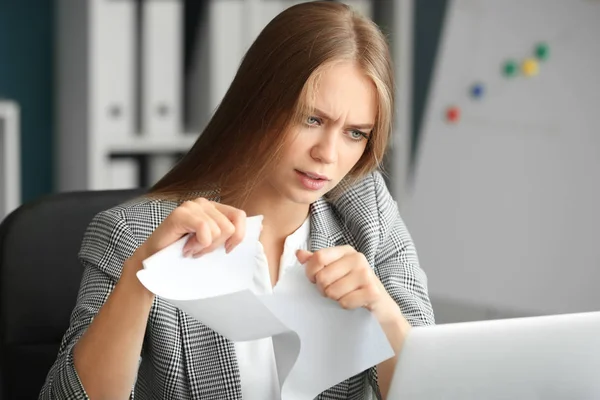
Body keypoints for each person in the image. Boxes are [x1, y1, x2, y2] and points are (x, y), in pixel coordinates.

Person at [39, 1, 434, 399]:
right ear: (258, 106)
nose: (328, 155)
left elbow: (437, 388)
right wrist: (142, 277)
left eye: (355, 133)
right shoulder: (133, 233)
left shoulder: (366, 214)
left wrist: (381, 309)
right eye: (311, 120)